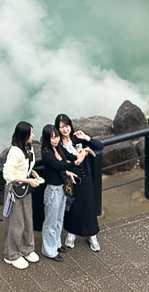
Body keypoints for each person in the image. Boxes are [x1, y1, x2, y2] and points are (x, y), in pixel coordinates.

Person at [55, 112, 104, 251]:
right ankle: (71, 233)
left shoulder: (77, 139)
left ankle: (92, 235)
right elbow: (57, 164)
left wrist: (86, 138)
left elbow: (99, 146)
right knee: (72, 207)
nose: (65, 129)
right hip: (71, 182)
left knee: (89, 207)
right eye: (61, 127)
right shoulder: (58, 145)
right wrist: (66, 172)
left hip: (86, 177)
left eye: (67, 126)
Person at [38, 123, 87, 262]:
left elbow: (69, 157)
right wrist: (76, 162)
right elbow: (60, 165)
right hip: (52, 190)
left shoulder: (58, 148)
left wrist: (80, 154)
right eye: (52, 137)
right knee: (50, 221)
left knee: (59, 219)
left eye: (57, 136)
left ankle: (56, 244)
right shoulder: (46, 154)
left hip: (62, 188)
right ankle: (48, 250)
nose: (55, 140)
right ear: (47, 139)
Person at [1, 120, 40, 270]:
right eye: (31, 133)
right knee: (16, 223)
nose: (33, 135)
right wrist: (28, 180)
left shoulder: (28, 147)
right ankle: (11, 255)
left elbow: (25, 166)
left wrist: (32, 173)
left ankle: (26, 248)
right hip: (15, 190)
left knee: (27, 220)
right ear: (24, 135)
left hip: (25, 188)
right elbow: (7, 174)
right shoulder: (15, 152)